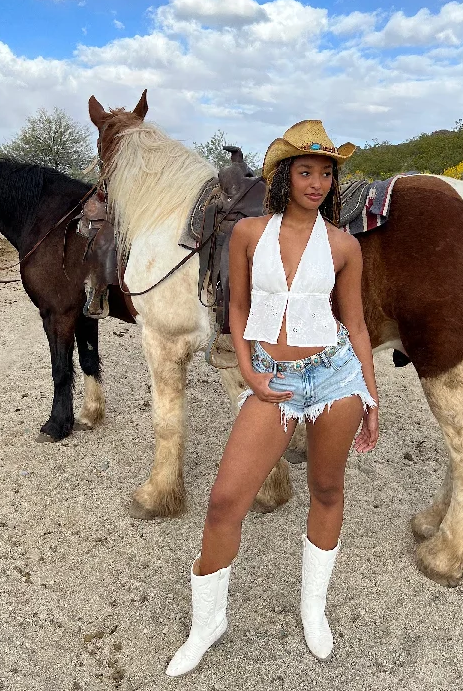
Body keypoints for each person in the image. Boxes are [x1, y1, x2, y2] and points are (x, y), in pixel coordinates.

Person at [166, 120, 379, 677]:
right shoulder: (249, 234)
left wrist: (372, 397)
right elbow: (236, 312)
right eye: (306, 171)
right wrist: (248, 371)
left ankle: (313, 609)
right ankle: (208, 623)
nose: (317, 182)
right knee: (223, 502)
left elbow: (354, 324)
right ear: (285, 176)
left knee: (327, 489)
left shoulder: (343, 245)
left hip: (335, 377)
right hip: (271, 380)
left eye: (326, 172)